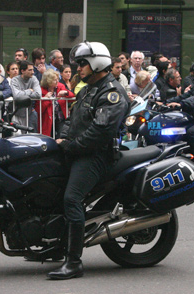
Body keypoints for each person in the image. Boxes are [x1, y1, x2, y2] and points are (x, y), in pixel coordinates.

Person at [47, 41, 130, 280]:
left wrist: (71, 147)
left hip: (96, 155)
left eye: (83, 63)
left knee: (72, 198)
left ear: (97, 63)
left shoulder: (111, 93)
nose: (79, 67)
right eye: (79, 63)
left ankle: (73, 262)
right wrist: (61, 140)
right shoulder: (86, 90)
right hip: (78, 151)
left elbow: (100, 131)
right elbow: (70, 123)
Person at [36, 69, 75, 137]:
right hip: (47, 120)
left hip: (61, 118)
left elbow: (73, 96)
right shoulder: (41, 90)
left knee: (62, 136)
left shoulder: (61, 86)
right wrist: (46, 99)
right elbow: (38, 109)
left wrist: (66, 93)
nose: (57, 81)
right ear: (48, 81)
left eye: (57, 79)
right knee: (48, 138)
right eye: (54, 80)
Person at [9, 60, 41, 130]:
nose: (33, 72)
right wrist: (29, 90)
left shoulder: (34, 79)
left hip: (28, 114)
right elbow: (17, 96)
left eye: (33, 70)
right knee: (16, 136)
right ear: (23, 71)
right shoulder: (15, 80)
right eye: (30, 70)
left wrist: (22, 94)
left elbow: (38, 95)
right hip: (16, 114)